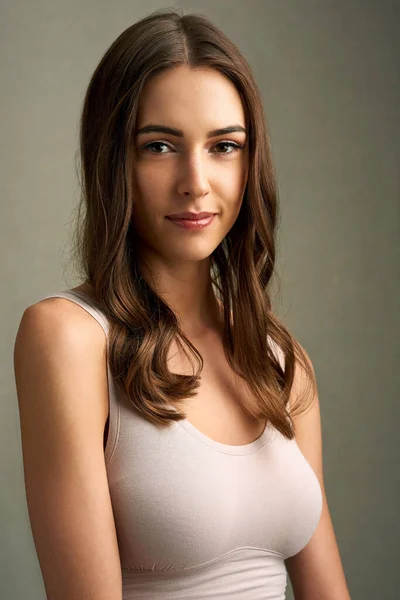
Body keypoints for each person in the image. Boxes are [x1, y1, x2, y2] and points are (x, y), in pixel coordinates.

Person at [13, 8, 351, 600]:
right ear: (112, 160)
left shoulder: (281, 360)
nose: (195, 180)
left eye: (224, 146)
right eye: (160, 145)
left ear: (251, 164)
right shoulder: (68, 338)